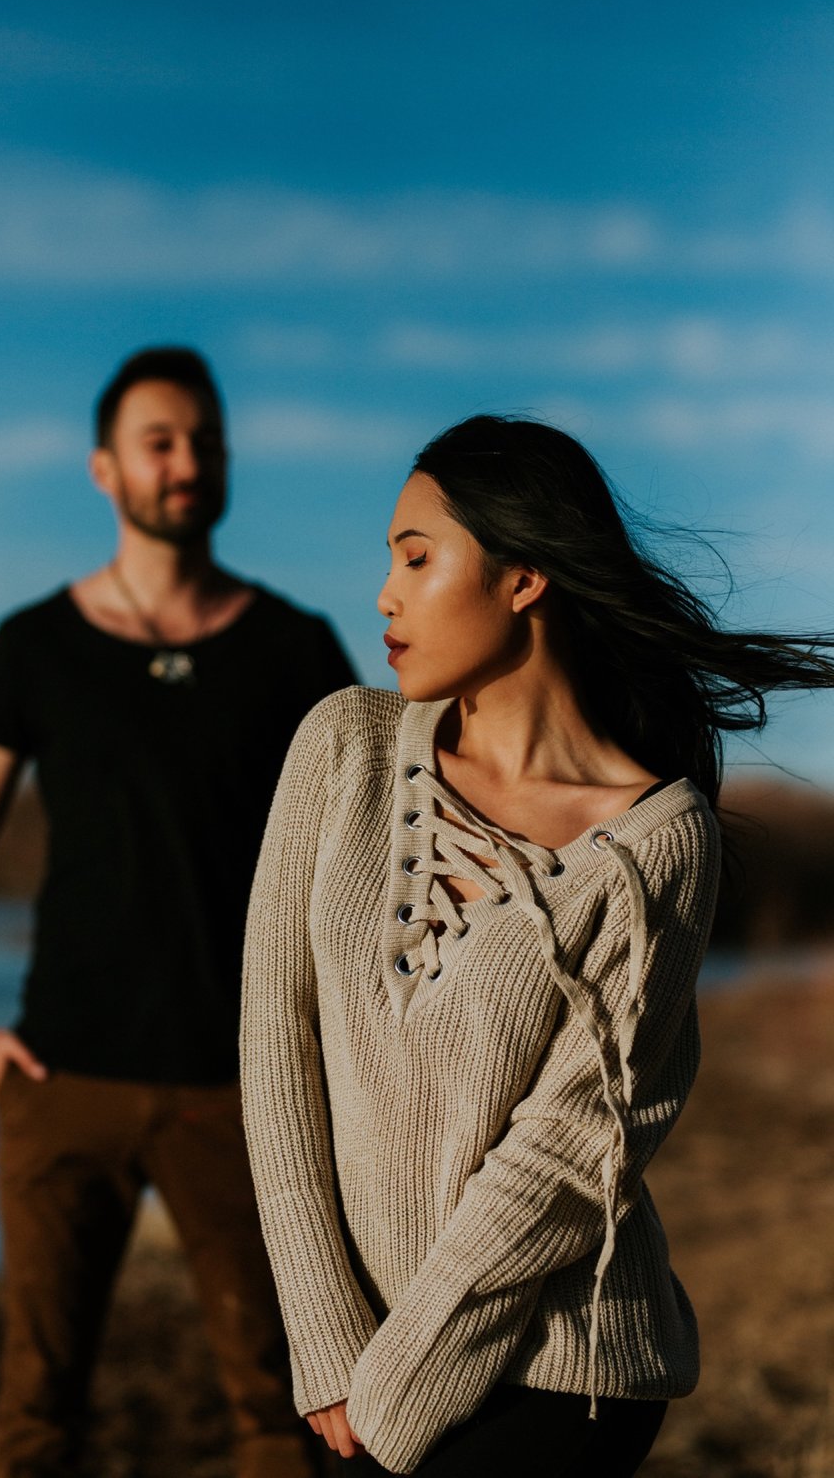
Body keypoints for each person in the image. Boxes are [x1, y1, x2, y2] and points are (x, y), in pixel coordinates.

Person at [240, 414, 834, 1477]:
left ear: (522, 576)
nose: (384, 593)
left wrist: (397, 1388)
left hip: (557, 1377)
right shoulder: (343, 746)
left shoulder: (658, 843)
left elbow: (571, 1154)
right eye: (390, 560)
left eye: (418, 559)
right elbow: (274, 1043)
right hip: (358, 1370)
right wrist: (329, 1342)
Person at [0, 346, 355, 1478]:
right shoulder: (35, 647)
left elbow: (357, 852)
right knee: (35, 1415)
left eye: (205, 441)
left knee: (286, 1408)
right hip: (60, 1080)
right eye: (159, 441)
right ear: (103, 470)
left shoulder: (293, 647)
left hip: (241, 1087)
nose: (187, 461)